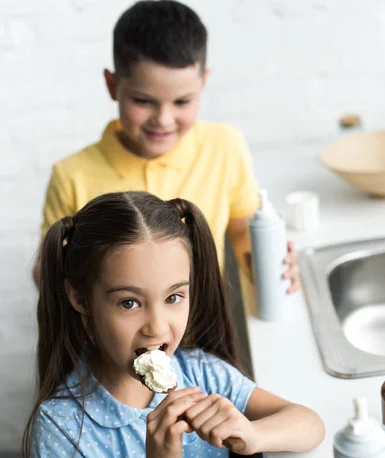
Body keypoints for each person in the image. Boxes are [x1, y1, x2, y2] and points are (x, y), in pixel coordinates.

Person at [24, 191, 324, 458]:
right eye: (129, 302)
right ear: (80, 299)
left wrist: (252, 434)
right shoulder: (63, 423)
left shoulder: (202, 373)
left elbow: (310, 424)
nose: (157, 326)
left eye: (173, 297)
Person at [32, 0, 299, 291]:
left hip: (203, 334)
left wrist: (267, 263)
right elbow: (47, 275)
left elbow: (240, 230)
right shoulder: (71, 177)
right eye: (143, 101)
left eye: (182, 101)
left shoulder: (225, 147)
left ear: (203, 84)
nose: (163, 120)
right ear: (112, 85)